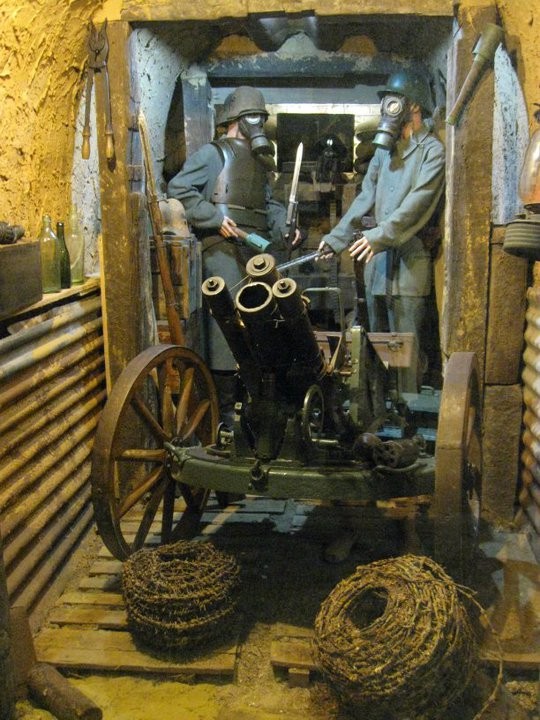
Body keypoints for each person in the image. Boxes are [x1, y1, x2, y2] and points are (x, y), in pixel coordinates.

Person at [167, 86, 299, 425]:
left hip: (255, 247)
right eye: (253, 118)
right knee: (226, 322)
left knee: (267, 320)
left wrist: (285, 228)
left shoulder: (258, 161)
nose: (258, 125)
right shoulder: (213, 155)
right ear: (236, 120)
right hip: (222, 247)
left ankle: (259, 403)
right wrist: (213, 218)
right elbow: (179, 189)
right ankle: (225, 411)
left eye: (261, 119)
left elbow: (268, 203)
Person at [318, 69, 445, 394]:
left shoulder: (432, 152)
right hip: (378, 268)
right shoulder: (383, 153)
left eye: (394, 101)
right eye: (386, 102)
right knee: (379, 349)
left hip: (407, 267)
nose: (388, 107)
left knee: (404, 356)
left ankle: (409, 425)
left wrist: (376, 237)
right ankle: (383, 421)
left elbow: (416, 206)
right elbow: (365, 197)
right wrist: (336, 240)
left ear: (413, 106)